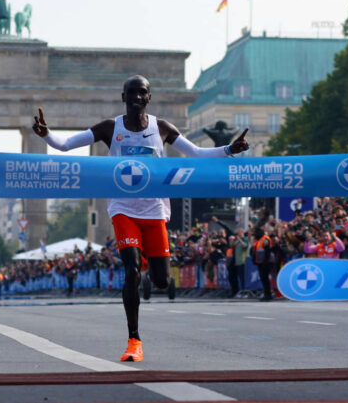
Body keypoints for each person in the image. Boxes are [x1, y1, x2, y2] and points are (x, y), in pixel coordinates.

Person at [32, 74, 248, 362]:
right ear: (123, 97)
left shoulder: (162, 128)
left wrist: (228, 150)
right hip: (123, 208)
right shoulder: (111, 128)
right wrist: (47, 134)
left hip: (155, 209)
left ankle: (149, 269)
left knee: (160, 281)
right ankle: (134, 339)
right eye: (130, 93)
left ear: (149, 97)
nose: (136, 97)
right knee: (130, 268)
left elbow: (195, 153)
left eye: (141, 93)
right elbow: (66, 144)